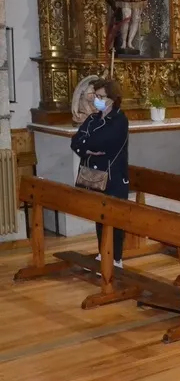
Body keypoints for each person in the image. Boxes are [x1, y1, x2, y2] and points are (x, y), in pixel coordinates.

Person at [70, 79, 130, 268]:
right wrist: (88, 148)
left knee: (115, 219)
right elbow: (75, 141)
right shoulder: (92, 119)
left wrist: (87, 145)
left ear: (112, 99)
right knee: (99, 217)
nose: (97, 99)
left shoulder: (120, 120)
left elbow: (103, 143)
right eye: (96, 96)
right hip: (94, 176)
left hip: (113, 178)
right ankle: (102, 252)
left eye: (101, 96)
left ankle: (116, 259)